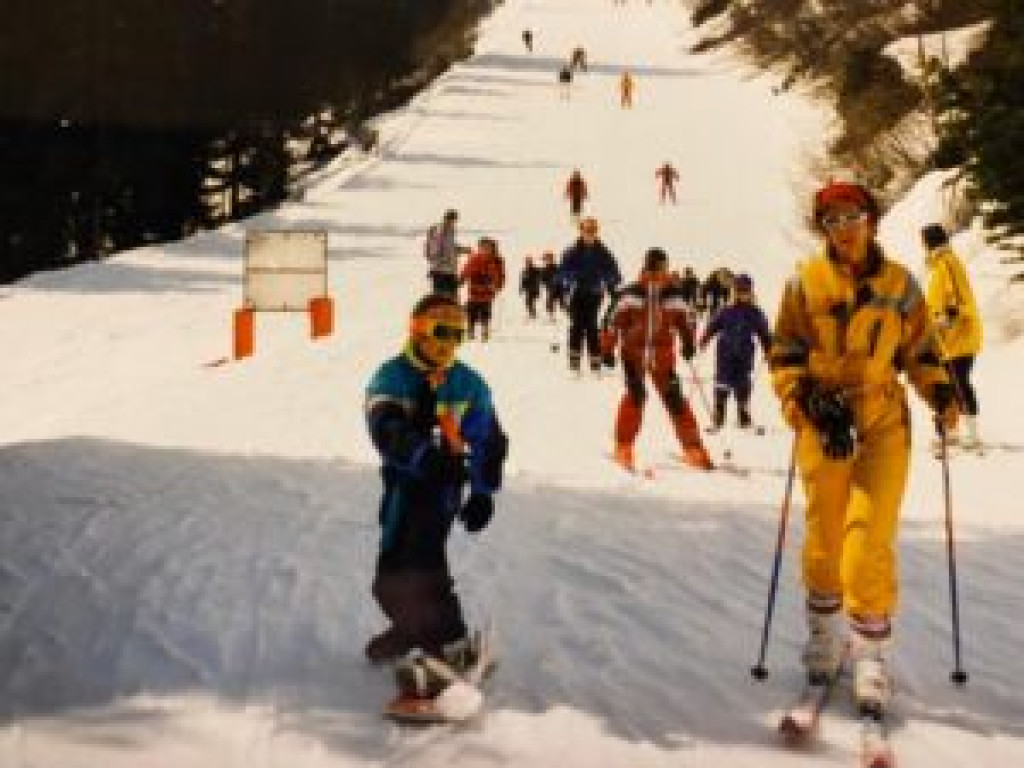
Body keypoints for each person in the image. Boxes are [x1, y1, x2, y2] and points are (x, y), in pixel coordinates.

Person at [769, 180, 957, 715]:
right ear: (822, 228)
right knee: (825, 541)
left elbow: (921, 349)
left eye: (852, 216)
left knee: (867, 538)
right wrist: (804, 400)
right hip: (822, 422)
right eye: (832, 220)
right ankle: (826, 642)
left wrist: (940, 389)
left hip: (880, 421)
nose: (844, 228)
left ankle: (871, 654)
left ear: (870, 219)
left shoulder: (900, 284)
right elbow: (784, 354)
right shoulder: (804, 283)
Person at [364, 294, 509, 697]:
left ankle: (447, 645)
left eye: (457, 335)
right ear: (417, 330)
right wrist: (424, 457)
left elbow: (489, 441)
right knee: (388, 578)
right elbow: (385, 429)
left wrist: (482, 492)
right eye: (439, 332)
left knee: (421, 560)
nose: (447, 344)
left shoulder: (469, 384)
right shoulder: (392, 378)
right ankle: (412, 630)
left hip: (442, 490)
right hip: (403, 484)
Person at [601, 248, 715, 471]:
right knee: (636, 396)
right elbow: (611, 321)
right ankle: (624, 445)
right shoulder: (631, 293)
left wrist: (689, 342)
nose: (658, 271)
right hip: (633, 354)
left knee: (674, 398)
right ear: (647, 266)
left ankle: (693, 447)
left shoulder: (674, 293)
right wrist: (607, 348)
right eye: (655, 267)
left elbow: (687, 320)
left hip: (663, 356)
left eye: (661, 267)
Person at [921, 223, 983, 447]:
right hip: (950, 336)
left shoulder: (946, 263)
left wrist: (946, 317)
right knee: (948, 384)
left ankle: (971, 434)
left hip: (959, 336)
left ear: (928, 242)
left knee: (958, 384)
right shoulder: (941, 264)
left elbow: (957, 300)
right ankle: (953, 431)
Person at [698, 273, 772, 431]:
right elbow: (713, 326)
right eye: (738, 291)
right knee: (722, 381)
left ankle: (743, 413)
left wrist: (768, 349)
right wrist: (704, 339)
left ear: (751, 293)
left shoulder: (755, 312)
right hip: (725, 352)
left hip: (745, 352)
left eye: (745, 291)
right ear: (733, 292)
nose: (741, 294)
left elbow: (764, 332)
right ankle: (719, 414)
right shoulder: (726, 310)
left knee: (743, 382)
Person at [556, 216, 622, 373]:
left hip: (594, 293)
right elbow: (562, 272)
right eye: (587, 231)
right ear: (581, 232)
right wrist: (569, 280)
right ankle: (574, 360)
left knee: (591, 325)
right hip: (576, 292)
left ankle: (595, 361)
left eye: (593, 231)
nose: (590, 235)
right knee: (577, 324)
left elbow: (614, 273)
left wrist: (609, 282)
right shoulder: (572, 251)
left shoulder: (603, 252)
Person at [459, 237, 506, 341]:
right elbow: (467, 269)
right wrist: (462, 278)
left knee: (485, 310)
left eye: (487, 248)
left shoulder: (497, 260)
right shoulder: (474, 258)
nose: (484, 250)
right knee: (472, 311)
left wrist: (498, 286)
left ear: (493, 248)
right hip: (474, 290)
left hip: (488, 292)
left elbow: (501, 275)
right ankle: (471, 329)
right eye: (482, 247)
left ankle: (485, 329)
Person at [424, 209, 471, 297]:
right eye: (452, 220)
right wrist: (444, 260)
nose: (453, 223)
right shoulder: (439, 232)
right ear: (446, 218)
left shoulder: (450, 232)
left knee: (452, 298)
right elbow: (434, 252)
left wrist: (464, 250)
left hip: (450, 271)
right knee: (441, 299)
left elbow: (450, 248)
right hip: (441, 272)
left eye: (454, 221)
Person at [540, 251, 563, 320]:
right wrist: (545, 283)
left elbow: (561, 277)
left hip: (559, 288)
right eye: (545, 260)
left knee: (562, 304)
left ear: (552, 259)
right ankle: (552, 317)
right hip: (551, 289)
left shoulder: (557, 267)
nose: (547, 261)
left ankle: (572, 316)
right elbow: (542, 279)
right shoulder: (544, 270)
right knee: (549, 303)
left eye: (548, 259)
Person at [520, 255, 543, 320]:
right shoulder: (525, 271)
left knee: (530, 301)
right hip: (528, 289)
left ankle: (533, 314)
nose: (528, 263)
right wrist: (521, 288)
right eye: (527, 262)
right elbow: (523, 280)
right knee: (528, 302)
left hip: (534, 288)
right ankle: (532, 313)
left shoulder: (536, 270)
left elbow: (540, 276)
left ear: (531, 262)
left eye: (529, 262)